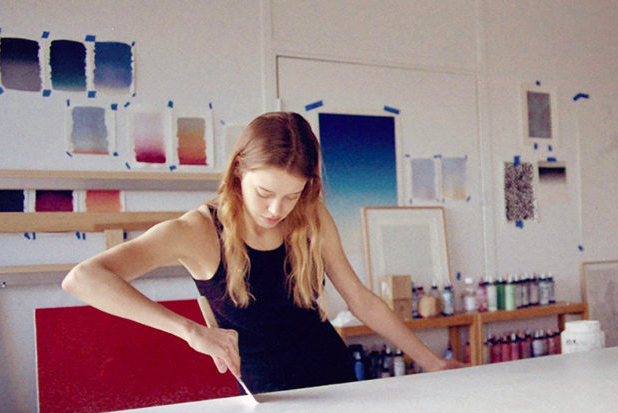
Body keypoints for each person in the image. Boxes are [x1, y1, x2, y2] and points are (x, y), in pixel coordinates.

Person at [62, 111, 465, 394]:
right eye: (265, 193)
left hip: (337, 377)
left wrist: (430, 361)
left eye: (292, 195)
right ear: (238, 171)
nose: (276, 210)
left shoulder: (311, 216)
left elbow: (360, 299)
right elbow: (83, 278)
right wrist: (191, 331)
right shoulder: (196, 231)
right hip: (268, 395)